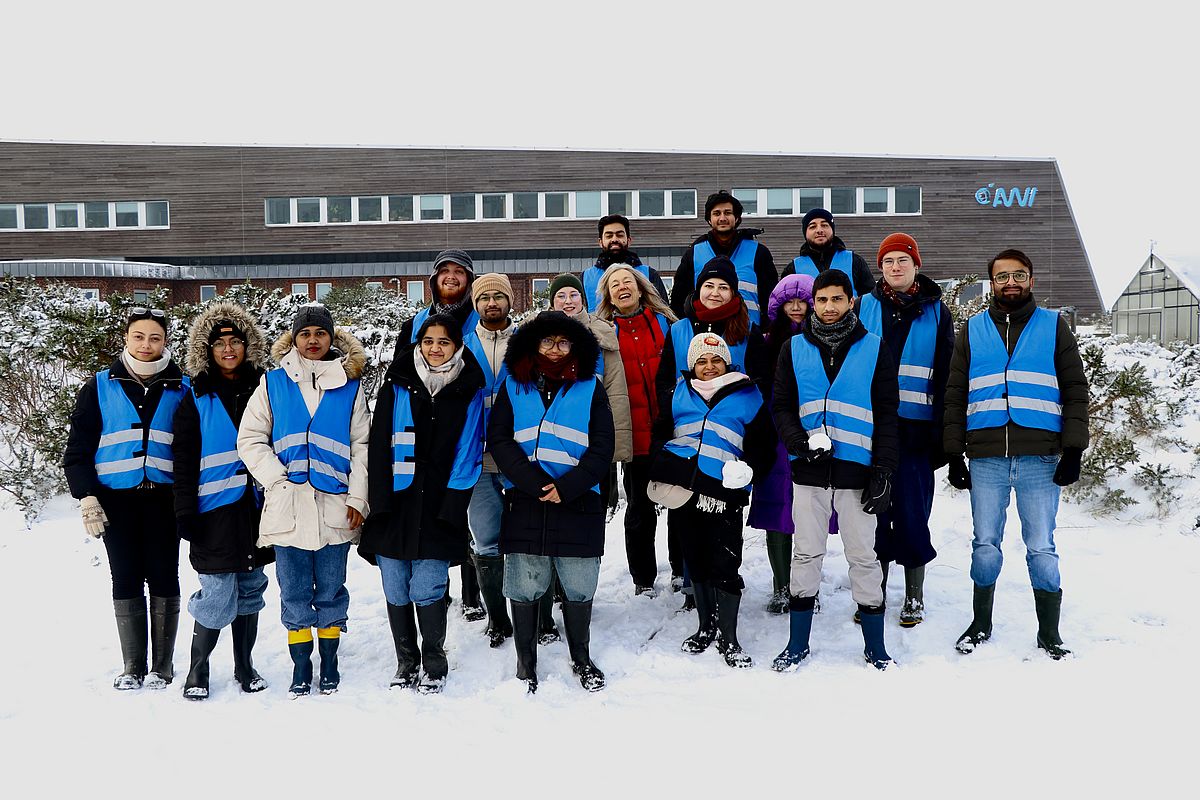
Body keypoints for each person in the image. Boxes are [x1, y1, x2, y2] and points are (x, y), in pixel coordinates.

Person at [943, 248, 1088, 659]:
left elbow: (1075, 390)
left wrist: (1073, 450)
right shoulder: (971, 330)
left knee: (1041, 545)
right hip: (986, 458)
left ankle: (1049, 633)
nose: (1011, 283)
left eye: (1018, 275)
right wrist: (954, 454)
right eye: (1003, 276)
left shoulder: (1053, 327)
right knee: (985, 544)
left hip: (1039, 458)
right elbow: (955, 395)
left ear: (1031, 280)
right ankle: (981, 622)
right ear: (992, 282)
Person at [236, 303, 370, 695]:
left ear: (332, 339)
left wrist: (359, 498)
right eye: (305, 334)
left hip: (335, 506)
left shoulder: (350, 386)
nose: (313, 341)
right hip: (287, 507)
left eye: (320, 334)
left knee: (331, 589)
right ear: (294, 339)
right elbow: (250, 438)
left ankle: (329, 661)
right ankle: (301, 665)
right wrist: (275, 480)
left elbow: (363, 447)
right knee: (293, 591)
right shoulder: (273, 383)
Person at [770, 269, 900, 671]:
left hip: (858, 472)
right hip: (809, 472)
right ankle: (797, 643)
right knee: (806, 554)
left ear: (850, 302)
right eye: (822, 300)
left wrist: (884, 470)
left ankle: (875, 647)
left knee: (863, 556)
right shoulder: (793, 348)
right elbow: (782, 405)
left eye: (837, 299)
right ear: (814, 302)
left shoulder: (874, 347)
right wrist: (797, 444)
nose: (829, 307)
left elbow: (887, 413)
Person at [487, 311, 615, 693]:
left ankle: (582, 657)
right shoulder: (513, 385)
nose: (555, 349)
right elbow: (500, 440)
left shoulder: (591, 387)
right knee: (525, 585)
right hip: (527, 500)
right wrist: (533, 483)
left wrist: (569, 486)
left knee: (578, 585)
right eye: (547, 341)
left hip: (578, 501)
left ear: (575, 347)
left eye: (563, 342)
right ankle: (526, 663)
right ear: (534, 345)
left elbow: (602, 447)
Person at [64, 306, 189, 690]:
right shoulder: (99, 385)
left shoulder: (182, 387)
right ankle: (133, 665)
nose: (146, 344)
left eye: (155, 337)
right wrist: (86, 497)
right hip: (116, 501)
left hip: (164, 499)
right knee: (126, 575)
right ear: (126, 339)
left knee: (165, 574)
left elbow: (191, 449)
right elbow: (78, 449)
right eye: (139, 336)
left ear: (165, 341)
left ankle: (162, 666)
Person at [360, 314, 485, 693]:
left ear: (457, 345)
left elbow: (469, 450)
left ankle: (433, 655)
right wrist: (378, 501)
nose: (435, 348)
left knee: (428, 585)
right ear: (418, 344)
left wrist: (452, 505)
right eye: (428, 341)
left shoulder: (469, 386)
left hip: (439, 503)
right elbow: (379, 444)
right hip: (395, 503)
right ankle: (405, 659)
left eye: (443, 342)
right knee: (396, 586)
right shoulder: (397, 383)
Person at [649, 333, 776, 668]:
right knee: (696, 561)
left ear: (726, 362)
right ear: (692, 365)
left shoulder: (749, 394)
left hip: (723, 493)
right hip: (685, 492)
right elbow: (660, 433)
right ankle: (706, 626)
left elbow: (764, 444)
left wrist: (750, 471)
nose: (708, 367)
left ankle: (729, 637)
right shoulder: (678, 392)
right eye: (701, 361)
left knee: (725, 563)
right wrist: (662, 464)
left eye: (715, 360)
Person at [172, 302, 274, 700]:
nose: (229, 349)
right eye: (220, 343)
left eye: (236, 341)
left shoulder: (266, 388)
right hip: (213, 511)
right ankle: (198, 669)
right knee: (217, 592)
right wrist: (184, 511)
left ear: (249, 346)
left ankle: (245, 666)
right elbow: (182, 460)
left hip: (258, 508)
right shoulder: (194, 396)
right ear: (207, 350)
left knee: (251, 587)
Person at [855, 233, 954, 627]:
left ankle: (914, 595)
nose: (895, 267)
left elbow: (946, 374)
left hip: (915, 433)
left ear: (916, 265)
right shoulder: (862, 306)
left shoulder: (937, 311)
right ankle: (873, 593)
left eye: (902, 260)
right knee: (873, 514)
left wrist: (944, 435)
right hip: (871, 431)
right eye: (888, 261)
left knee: (913, 516)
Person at [656, 255, 766, 610]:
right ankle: (695, 595)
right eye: (709, 286)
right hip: (686, 445)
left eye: (724, 287)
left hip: (728, 443)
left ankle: (724, 597)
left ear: (734, 291)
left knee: (722, 533)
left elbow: (760, 385)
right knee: (688, 528)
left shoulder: (747, 330)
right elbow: (664, 383)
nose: (715, 292)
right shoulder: (679, 329)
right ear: (697, 290)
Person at [393, 249, 485, 622]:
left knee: (470, 515)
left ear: (469, 279)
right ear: (433, 280)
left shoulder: (480, 315)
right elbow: (402, 372)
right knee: (437, 514)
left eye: (458, 272)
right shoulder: (418, 322)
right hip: (429, 428)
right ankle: (440, 591)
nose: (450, 277)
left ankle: (473, 592)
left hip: (475, 420)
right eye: (443, 272)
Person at [594, 263, 679, 595]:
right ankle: (643, 579)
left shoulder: (666, 325)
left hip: (671, 433)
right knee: (640, 510)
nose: (621, 287)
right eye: (614, 285)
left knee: (680, 505)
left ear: (641, 288)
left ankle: (681, 570)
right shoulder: (603, 333)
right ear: (609, 296)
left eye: (627, 281)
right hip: (633, 436)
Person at [748, 274, 814, 614]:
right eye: (790, 301)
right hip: (774, 434)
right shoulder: (765, 341)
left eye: (803, 300)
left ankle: (806, 587)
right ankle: (781, 586)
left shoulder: (823, 340)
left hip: (812, 430)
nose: (797, 307)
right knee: (778, 507)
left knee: (810, 510)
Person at [464, 272, 518, 647]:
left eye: (499, 296)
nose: (492, 302)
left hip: (520, 457)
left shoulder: (527, 344)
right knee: (486, 540)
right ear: (476, 304)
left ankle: (535, 616)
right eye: (485, 298)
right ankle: (498, 619)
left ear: (509, 302)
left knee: (529, 540)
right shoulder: (462, 346)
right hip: (477, 458)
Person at [669, 189, 778, 326]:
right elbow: (679, 300)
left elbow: (771, 297)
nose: (722, 218)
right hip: (703, 337)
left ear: (737, 218)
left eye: (728, 213)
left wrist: (767, 330)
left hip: (748, 336)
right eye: (716, 213)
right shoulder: (694, 253)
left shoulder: (758, 252)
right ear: (709, 219)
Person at [580, 214, 670, 309]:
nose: (614, 239)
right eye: (609, 236)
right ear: (600, 242)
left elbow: (663, 313)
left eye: (619, 235)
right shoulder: (585, 278)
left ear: (628, 240)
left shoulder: (649, 275)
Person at [781, 208, 875, 297]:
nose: (819, 230)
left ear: (832, 230)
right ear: (805, 233)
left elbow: (871, 300)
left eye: (825, 225)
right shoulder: (793, 268)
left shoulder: (854, 261)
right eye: (812, 226)